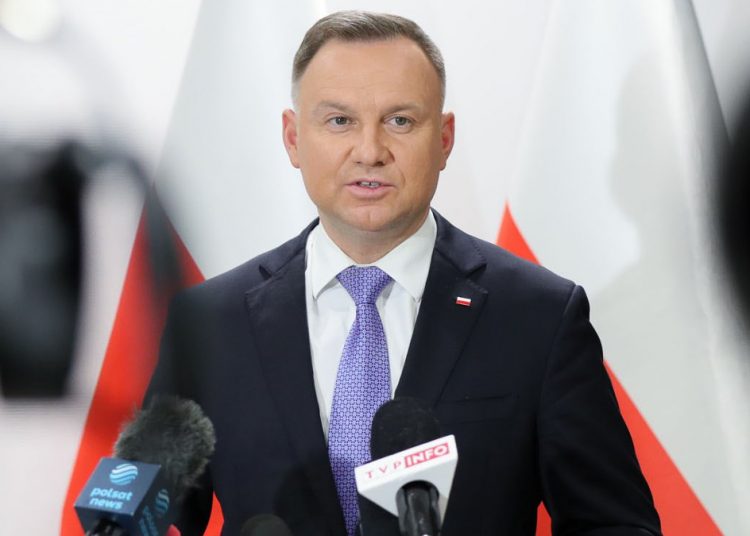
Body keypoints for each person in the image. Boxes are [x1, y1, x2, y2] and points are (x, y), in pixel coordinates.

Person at [148, 11, 661, 536]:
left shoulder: (538, 317)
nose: (370, 152)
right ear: (293, 137)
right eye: (339, 121)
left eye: (399, 121)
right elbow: (138, 512)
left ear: (444, 139)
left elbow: (615, 525)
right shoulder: (209, 326)